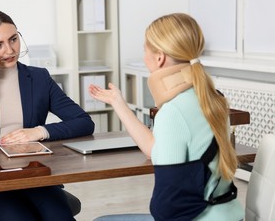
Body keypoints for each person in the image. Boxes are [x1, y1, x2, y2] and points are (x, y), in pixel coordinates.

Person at [90, 13, 244, 220]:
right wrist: (119, 103)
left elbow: (168, 205)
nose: (144, 57)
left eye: (145, 50)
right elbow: (158, 151)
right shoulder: (213, 100)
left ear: (160, 57)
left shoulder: (173, 112)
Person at [0, 10, 94, 220]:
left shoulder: (39, 78)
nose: (10, 50)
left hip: (31, 175)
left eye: (14, 39)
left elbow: (84, 122)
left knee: (60, 217)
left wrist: (39, 131)